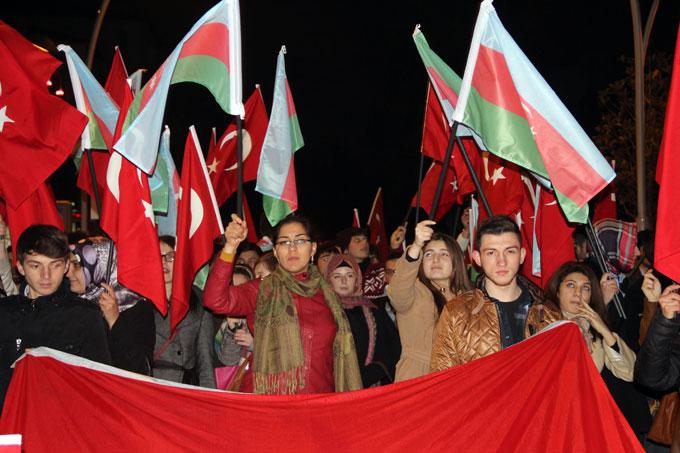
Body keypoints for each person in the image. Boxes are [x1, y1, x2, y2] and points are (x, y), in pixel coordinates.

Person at [203, 213, 362, 395]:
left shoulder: (329, 296)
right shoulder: (261, 289)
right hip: (267, 403)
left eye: (300, 241)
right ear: (276, 252)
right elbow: (214, 300)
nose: (292, 248)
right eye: (284, 242)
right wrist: (230, 247)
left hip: (317, 402)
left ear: (313, 249)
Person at [0, 225, 111, 409]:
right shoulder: (4, 312)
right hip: (8, 425)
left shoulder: (85, 315)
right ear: (20, 266)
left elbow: (100, 382)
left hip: (61, 422)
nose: (46, 275)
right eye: (36, 266)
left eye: (55, 265)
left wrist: (50, 365)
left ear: (66, 265)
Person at [430, 215, 561, 371]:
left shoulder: (550, 314)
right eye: (491, 253)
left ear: (522, 256)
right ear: (477, 258)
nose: (502, 261)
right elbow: (442, 380)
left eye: (510, 251)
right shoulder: (455, 313)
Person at [387, 220, 471, 381]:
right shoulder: (414, 291)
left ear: (456, 261)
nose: (435, 260)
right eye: (429, 254)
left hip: (459, 381)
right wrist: (417, 245)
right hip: (418, 380)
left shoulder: (470, 299)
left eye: (444, 254)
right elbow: (398, 290)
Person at [67, 240, 155, 375]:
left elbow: (139, 367)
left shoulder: (135, 307)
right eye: (68, 265)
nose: (68, 273)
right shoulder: (73, 304)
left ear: (99, 268)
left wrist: (114, 320)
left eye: (77, 265)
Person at [325, 254, 400, 387]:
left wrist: (368, 375)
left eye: (349, 275)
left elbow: (391, 349)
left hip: (368, 388)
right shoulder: (322, 311)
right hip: (331, 387)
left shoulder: (373, 311)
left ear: (357, 278)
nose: (344, 281)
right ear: (328, 279)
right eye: (337, 276)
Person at [152, 236, 216, 388]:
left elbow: (205, 359)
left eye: (170, 257)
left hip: (183, 387)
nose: (164, 262)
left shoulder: (199, 300)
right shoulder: (140, 299)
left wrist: (209, 397)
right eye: (158, 256)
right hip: (150, 385)